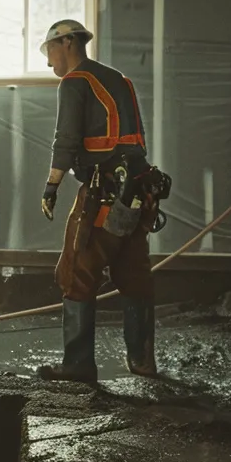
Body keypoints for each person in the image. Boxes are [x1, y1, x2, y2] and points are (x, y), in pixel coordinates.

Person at [36, 19, 164, 382]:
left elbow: (67, 138)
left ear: (68, 43)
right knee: (134, 272)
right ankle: (142, 361)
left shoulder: (76, 82)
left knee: (76, 271)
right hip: (138, 193)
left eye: (51, 52)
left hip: (103, 192)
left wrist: (52, 185)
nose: (50, 63)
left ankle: (78, 366)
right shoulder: (119, 79)